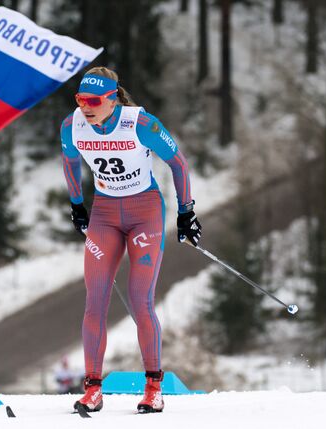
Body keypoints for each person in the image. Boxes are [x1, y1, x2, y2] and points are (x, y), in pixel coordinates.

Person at [60, 67, 202, 414]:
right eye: (80, 99)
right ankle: (92, 388)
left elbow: (178, 163)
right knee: (95, 301)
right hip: (105, 215)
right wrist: (77, 206)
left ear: (112, 98)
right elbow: (69, 162)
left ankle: (154, 386)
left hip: (145, 213)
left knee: (141, 300)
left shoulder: (140, 124)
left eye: (93, 100)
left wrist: (186, 212)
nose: (86, 107)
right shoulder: (72, 125)